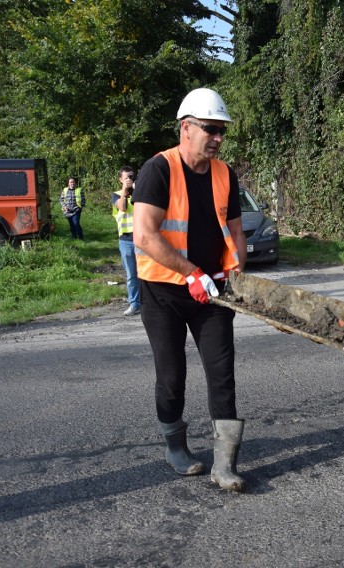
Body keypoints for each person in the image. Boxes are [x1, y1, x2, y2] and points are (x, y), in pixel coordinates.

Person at [132, 88, 248, 492]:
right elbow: (144, 236)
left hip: (212, 291)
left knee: (222, 375)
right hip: (164, 291)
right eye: (211, 129)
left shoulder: (224, 173)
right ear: (186, 128)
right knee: (171, 375)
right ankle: (176, 448)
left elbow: (234, 227)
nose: (217, 138)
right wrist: (189, 272)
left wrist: (237, 273)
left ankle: (225, 464)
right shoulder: (158, 169)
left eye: (222, 132)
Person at [112, 166, 141, 316]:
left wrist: (137, 189)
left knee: (145, 273)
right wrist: (125, 190)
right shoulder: (116, 195)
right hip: (126, 240)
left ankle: (147, 303)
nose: (129, 180)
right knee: (131, 275)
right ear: (120, 180)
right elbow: (122, 207)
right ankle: (134, 303)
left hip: (142, 238)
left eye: (131, 177)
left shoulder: (140, 193)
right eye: (126, 178)